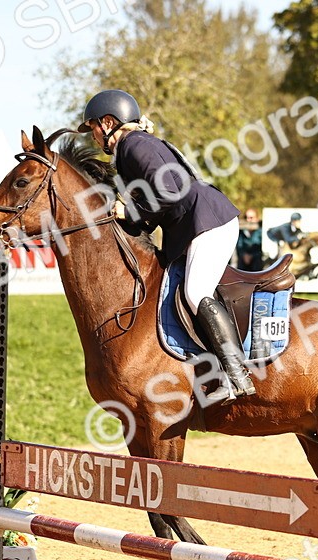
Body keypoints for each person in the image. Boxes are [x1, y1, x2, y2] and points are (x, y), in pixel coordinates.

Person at [78, 89, 253, 401]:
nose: (92, 135)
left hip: (207, 221)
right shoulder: (130, 150)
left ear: (108, 122)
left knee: (195, 292)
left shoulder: (134, 144)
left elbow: (169, 192)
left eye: (92, 127)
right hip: (195, 224)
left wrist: (127, 210)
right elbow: (151, 210)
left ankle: (236, 375)